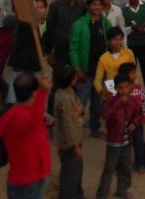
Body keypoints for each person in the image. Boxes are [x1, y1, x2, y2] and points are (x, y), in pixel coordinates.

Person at [0, 72, 52, 199]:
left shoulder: (11, 114)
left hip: (16, 178)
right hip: (30, 181)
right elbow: (33, 120)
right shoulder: (26, 118)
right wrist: (43, 93)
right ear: (33, 93)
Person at [70, 0, 111, 140]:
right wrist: (77, 68)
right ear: (88, 6)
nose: (97, 7)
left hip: (101, 70)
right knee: (81, 100)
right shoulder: (79, 24)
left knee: (97, 102)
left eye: (99, 4)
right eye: (94, 4)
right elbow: (73, 48)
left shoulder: (106, 23)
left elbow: (110, 44)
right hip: (85, 71)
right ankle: (71, 130)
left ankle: (95, 128)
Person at [96, 72, 139, 199]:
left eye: (126, 87)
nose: (124, 90)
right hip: (114, 143)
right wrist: (118, 104)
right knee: (109, 170)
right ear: (115, 88)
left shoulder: (132, 101)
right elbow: (105, 115)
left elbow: (137, 113)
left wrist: (134, 123)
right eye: (120, 88)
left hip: (126, 142)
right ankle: (102, 195)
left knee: (125, 169)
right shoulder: (110, 101)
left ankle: (122, 191)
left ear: (129, 88)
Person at [53, 64, 84, 199]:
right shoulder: (65, 99)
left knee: (73, 171)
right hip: (70, 143)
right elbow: (68, 125)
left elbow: (78, 104)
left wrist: (80, 110)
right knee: (71, 173)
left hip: (71, 141)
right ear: (72, 80)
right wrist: (75, 145)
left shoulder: (64, 92)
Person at [118, 62, 145, 174]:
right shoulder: (118, 91)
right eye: (133, 73)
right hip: (122, 124)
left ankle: (140, 164)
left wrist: (142, 119)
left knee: (138, 142)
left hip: (137, 123)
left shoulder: (139, 89)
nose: (135, 74)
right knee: (121, 145)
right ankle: (120, 166)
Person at [44, 0, 86, 68]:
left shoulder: (83, 6)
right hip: (60, 47)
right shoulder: (55, 6)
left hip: (77, 46)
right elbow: (49, 28)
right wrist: (49, 51)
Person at [94, 27, 136, 97]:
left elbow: (133, 73)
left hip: (128, 92)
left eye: (120, 39)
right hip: (111, 94)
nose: (118, 42)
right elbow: (97, 80)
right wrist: (101, 91)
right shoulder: (103, 58)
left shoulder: (129, 53)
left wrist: (132, 85)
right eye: (115, 39)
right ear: (109, 41)